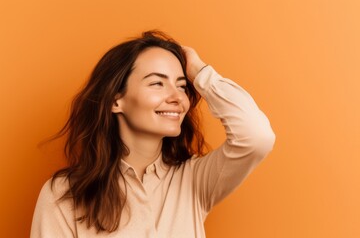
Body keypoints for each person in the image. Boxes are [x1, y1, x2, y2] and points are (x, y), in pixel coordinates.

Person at [30, 30, 275, 238]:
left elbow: (256, 136)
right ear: (116, 101)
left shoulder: (194, 180)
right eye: (157, 83)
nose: (177, 97)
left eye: (181, 85)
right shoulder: (64, 193)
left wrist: (201, 73)